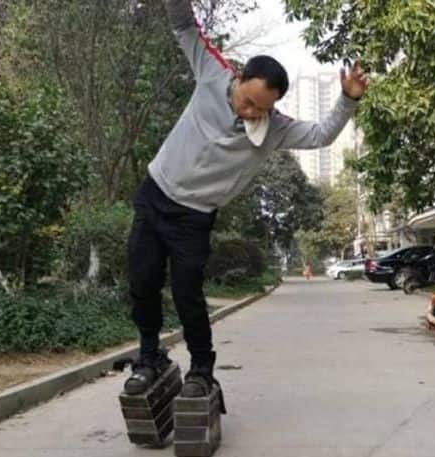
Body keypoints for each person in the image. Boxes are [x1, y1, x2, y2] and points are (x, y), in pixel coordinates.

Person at [124, 0, 368, 399]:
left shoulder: (274, 129)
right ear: (239, 78)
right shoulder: (211, 71)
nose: (249, 111)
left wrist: (347, 100)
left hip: (193, 216)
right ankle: (149, 358)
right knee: (143, 280)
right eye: (247, 100)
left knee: (188, 293)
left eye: (260, 108)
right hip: (155, 193)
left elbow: (321, 134)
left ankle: (202, 370)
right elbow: (184, 26)